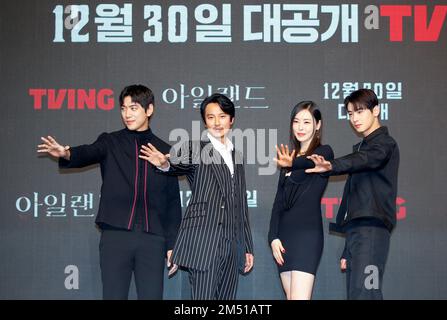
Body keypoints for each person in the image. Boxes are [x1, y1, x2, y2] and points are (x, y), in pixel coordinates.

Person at [37, 84, 182, 300]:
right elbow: (88, 152)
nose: (127, 114)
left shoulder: (166, 151)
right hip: (116, 236)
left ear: (149, 110)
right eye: (123, 109)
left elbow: (172, 204)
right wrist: (66, 153)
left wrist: (172, 245)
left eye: (133, 108)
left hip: (153, 240)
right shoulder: (110, 141)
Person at [139, 93, 254, 300]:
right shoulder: (194, 147)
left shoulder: (236, 156)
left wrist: (246, 246)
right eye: (211, 117)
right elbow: (176, 165)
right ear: (204, 121)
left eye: (222, 116)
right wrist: (164, 164)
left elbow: (241, 204)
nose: (217, 122)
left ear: (231, 119)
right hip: (204, 242)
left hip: (231, 244)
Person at [305, 89, 399, 300]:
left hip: (372, 230)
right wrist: (348, 248)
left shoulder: (384, 144)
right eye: (349, 113)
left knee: (367, 293)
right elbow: (356, 200)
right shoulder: (363, 148)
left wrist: (331, 165)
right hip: (358, 231)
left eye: (359, 111)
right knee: (358, 294)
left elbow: (364, 160)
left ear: (376, 110)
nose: (354, 118)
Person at [268, 101, 334, 300]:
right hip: (284, 239)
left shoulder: (324, 153)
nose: (300, 127)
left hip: (307, 237)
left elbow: (307, 162)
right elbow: (278, 202)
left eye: (307, 122)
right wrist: (273, 237)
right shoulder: (289, 160)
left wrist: (292, 162)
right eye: (296, 121)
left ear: (318, 125)